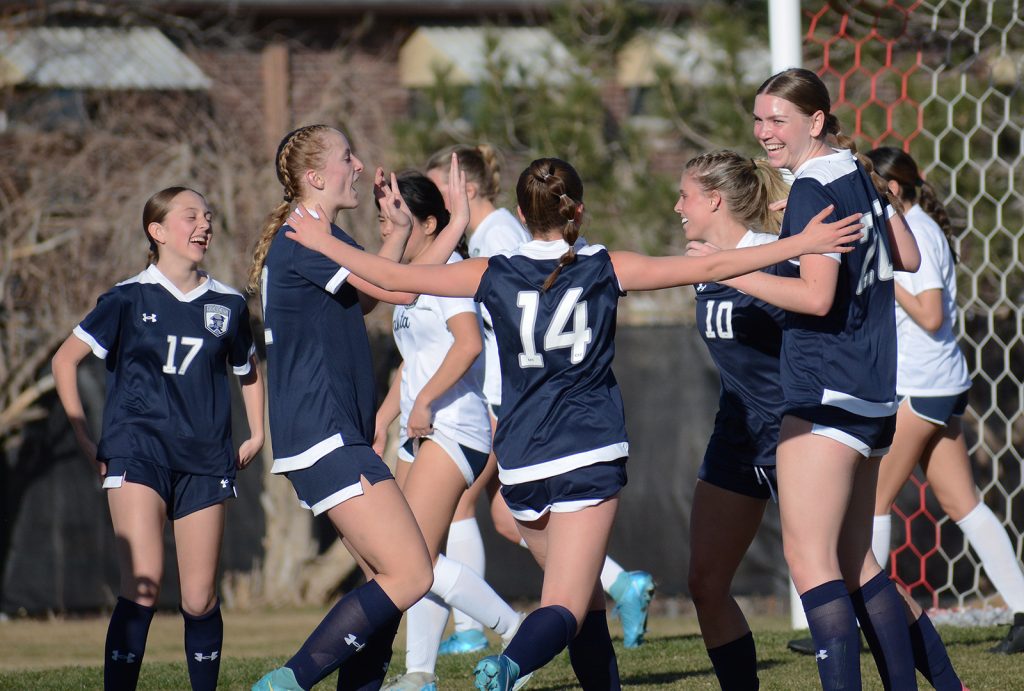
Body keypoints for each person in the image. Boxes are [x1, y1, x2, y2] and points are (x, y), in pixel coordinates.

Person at [284, 155, 862, 690]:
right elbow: (712, 264)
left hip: (521, 461)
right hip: (585, 451)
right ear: (576, 211)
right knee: (563, 604)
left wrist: (324, 244)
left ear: (521, 214)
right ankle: (510, 662)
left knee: (584, 607)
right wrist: (807, 242)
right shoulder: (604, 265)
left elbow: (393, 282)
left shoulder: (492, 270)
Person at [688, 67, 959, 690]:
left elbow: (814, 298)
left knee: (812, 564)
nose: (764, 132)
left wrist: (732, 269)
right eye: (758, 119)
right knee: (855, 564)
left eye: (777, 120)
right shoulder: (854, 172)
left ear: (815, 120)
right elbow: (910, 258)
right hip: (872, 390)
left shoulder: (815, 184)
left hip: (825, 388)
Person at [249, 125, 472, 691]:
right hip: (325, 432)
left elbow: (371, 293)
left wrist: (396, 233)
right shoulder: (306, 237)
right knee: (412, 572)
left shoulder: (320, 234)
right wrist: (459, 226)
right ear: (316, 177)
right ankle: (288, 682)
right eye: (347, 156)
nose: (359, 165)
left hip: (323, 432)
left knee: (383, 579)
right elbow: (403, 290)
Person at [425, 145, 656, 652]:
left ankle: (473, 635)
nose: (437, 194)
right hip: (554, 427)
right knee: (562, 593)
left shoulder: (501, 243)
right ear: (576, 208)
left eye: (444, 184)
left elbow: (406, 280)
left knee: (482, 517)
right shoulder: (584, 259)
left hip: (524, 422)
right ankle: (520, 648)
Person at [51, 186, 265, 691]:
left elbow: (248, 369)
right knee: (143, 586)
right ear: (158, 231)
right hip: (136, 451)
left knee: (198, 599)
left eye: (208, 216)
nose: (204, 225)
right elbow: (65, 360)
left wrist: (258, 432)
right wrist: (85, 435)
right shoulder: (127, 297)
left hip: (206, 459)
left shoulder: (228, 303)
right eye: (191, 216)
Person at [370, 171, 525, 691]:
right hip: (420, 428)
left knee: (412, 557)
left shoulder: (453, 269)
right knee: (411, 560)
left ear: (431, 223)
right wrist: (384, 415)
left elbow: (468, 345)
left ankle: (518, 635)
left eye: (397, 220)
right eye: (381, 219)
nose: (386, 229)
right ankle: (419, 673)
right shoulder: (410, 281)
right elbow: (411, 363)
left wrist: (429, 401)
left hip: (455, 426)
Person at [867, 146, 1024, 657]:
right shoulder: (910, 226)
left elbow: (931, 315)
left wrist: (887, 285)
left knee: (872, 500)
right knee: (963, 504)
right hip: (938, 383)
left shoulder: (918, 232)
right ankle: (1023, 611)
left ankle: (863, 621)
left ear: (891, 189)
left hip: (923, 385)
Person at [676, 150, 790, 689]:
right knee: (706, 581)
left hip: (796, 434)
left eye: (686, 196)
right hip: (737, 437)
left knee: (853, 575)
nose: (678, 207)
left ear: (714, 201)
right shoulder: (700, 260)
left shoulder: (775, 254)